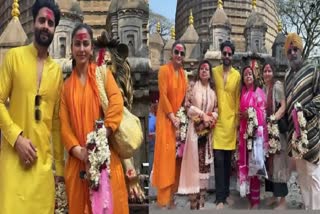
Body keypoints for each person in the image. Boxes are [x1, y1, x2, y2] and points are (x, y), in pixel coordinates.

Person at [0, 0, 64, 213]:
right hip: (13, 164)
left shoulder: (56, 73)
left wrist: (60, 171)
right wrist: (16, 138)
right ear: (33, 23)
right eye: (42, 20)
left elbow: (55, 123)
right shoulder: (14, 58)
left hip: (43, 170)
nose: (46, 26)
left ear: (54, 29)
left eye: (50, 23)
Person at [59, 23, 129, 214]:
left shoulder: (102, 74)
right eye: (77, 44)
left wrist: (104, 133)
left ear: (91, 48)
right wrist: (79, 151)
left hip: (104, 156)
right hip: (78, 161)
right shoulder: (65, 87)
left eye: (85, 44)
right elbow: (64, 126)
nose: (81, 49)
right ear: (71, 48)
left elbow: (116, 102)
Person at [284, 33, 320, 210]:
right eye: (289, 51)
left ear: (301, 49)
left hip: (311, 131)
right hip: (294, 135)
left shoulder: (312, 69)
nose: (292, 53)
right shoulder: (287, 76)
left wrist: (306, 112)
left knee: (314, 175)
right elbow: (287, 101)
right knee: (302, 176)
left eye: (295, 49)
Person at [178, 60, 218, 209]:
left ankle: (202, 200)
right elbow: (187, 106)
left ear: (210, 73)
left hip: (207, 133)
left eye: (207, 69)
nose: (204, 71)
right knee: (192, 165)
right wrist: (202, 115)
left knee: (204, 167)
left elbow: (216, 109)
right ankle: (192, 202)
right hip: (193, 132)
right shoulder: (193, 87)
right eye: (202, 69)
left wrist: (210, 118)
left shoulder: (213, 91)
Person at [152, 41, 188, 209]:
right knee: (165, 159)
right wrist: (173, 117)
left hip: (177, 121)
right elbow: (164, 96)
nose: (179, 56)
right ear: (171, 53)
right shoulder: (163, 71)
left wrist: (182, 115)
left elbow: (183, 99)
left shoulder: (183, 75)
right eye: (176, 52)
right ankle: (162, 199)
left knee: (176, 160)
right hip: (166, 119)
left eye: (182, 53)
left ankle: (172, 197)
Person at [211, 40, 241, 209]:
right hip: (217, 123)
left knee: (228, 162)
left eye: (230, 54)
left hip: (230, 123)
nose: (227, 56)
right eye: (225, 53)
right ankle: (219, 198)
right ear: (221, 54)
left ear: (232, 56)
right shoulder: (214, 71)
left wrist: (237, 122)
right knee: (218, 161)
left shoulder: (237, 75)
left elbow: (237, 98)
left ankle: (227, 194)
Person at [238, 66, 267, 209]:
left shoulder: (258, 92)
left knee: (254, 166)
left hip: (255, 136)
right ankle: (249, 196)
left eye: (250, 74)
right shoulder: (242, 93)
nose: (248, 76)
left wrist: (250, 113)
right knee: (246, 165)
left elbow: (262, 113)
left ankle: (255, 201)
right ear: (243, 79)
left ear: (254, 77)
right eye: (245, 75)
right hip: (244, 135)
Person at [262, 62, 290, 209]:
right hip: (267, 132)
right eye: (265, 71)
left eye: (269, 71)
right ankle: (274, 196)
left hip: (277, 131)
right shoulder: (264, 88)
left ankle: (283, 201)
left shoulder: (277, 86)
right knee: (270, 165)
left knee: (279, 164)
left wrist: (273, 119)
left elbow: (283, 106)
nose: (267, 73)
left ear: (273, 72)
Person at [149, 101, 157, 173]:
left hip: (152, 149)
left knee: (151, 168)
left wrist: (153, 134)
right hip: (143, 147)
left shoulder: (154, 119)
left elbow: (159, 133)